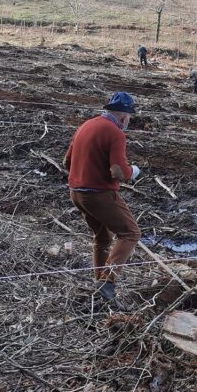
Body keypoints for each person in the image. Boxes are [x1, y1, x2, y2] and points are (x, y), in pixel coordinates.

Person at [63, 92, 142, 302]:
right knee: (130, 233)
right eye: (129, 119)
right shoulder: (116, 133)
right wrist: (132, 171)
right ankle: (107, 282)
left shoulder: (86, 125)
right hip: (99, 194)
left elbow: (66, 163)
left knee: (103, 238)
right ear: (124, 117)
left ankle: (99, 286)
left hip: (76, 194)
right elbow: (117, 171)